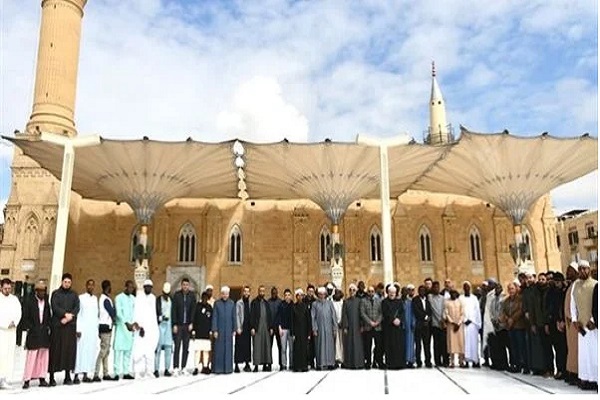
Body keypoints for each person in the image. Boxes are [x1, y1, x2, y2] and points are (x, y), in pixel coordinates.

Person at [571, 260, 598, 391]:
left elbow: (597, 304)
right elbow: (572, 304)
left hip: (593, 326)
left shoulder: (595, 284)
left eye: (585, 269)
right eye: (580, 269)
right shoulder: (575, 285)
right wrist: (574, 320)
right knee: (585, 355)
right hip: (581, 325)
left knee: (595, 353)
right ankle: (587, 380)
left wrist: (593, 320)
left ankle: (597, 379)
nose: (582, 271)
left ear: (589, 270)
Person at [49, 273, 80, 386]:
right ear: (62, 282)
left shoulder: (74, 294)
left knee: (68, 351)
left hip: (69, 327)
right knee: (55, 351)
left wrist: (68, 317)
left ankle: (67, 376)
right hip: (58, 326)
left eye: (69, 282)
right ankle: (52, 377)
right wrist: (64, 314)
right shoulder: (56, 294)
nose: (67, 284)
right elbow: (54, 306)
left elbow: (77, 307)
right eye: (65, 282)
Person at [21, 280, 51, 389]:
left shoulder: (46, 302)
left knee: (43, 357)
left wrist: (47, 326)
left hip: (44, 333)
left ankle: (42, 378)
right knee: (31, 357)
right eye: (40, 291)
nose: (42, 293)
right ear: (36, 291)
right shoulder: (30, 301)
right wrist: (31, 327)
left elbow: (48, 316)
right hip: (34, 333)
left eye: (44, 291)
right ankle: (27, 380)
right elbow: (25, 317)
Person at [74, 279, 99, 384]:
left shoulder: (95, 299)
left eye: (92, 285)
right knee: (80, 351)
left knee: (89, 352)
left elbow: (96, 315)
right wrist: (78, 329)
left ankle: (85, 374)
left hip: (92, 330)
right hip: (83, 329)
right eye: (89, 285)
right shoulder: (81, 298)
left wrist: (96, 329)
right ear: (86, 285)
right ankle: (76, 375)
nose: (91, 287)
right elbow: (78, 314)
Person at [133, 279, 159, 378]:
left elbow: (153, 313)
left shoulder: (153, 298)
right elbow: (137, 312)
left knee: (150, 350)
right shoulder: (139, 297)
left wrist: (154, 328)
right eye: (147, 287)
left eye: (150, 287)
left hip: (151, 328)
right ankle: (137, 372)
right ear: (144, 287)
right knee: (139, 350)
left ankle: (149, 371)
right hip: (140, 329)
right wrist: (139, 326)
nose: (148, 288)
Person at [0, 278, 22, 389]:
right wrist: (5, 323)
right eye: (5, 288)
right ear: (1, 287)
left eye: (9, 288)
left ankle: (5, 378)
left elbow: (19, 312)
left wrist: (14, 322)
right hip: (2, 331)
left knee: (9, 355)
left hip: (11, 331)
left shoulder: (14, 299)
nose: (7, 290)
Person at [172, 278, 196, 374]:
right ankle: (176, 367)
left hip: (187, 325)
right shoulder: (177, 295)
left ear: (189, 286)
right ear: (181, 285)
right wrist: (174, 324)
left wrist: (192, 323)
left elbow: (193, 310)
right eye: (184, 285)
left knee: (186, 347)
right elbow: (174, 310)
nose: (185, 286)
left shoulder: (192, 296)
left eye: (187, 285)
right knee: (177, 347)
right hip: (179, 325)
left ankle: (184, 367)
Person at [501, 282, 526, 373]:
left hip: (518, 325)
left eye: (512, 289)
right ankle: (516, 364)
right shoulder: (506, 300)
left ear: (516, 289)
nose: (511, 291)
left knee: (521, 346)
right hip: (510, 327)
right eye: (509, 289)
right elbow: (503, 311)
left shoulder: (520, 299)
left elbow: (521, 310)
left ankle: (524, 364)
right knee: (513, 347)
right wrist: (507, 319)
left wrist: (512, 319)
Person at [113, 280, 136, 380]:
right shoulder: (119, 297)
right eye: (129, 287)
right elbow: (118, 313)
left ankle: (126, 372)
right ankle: (116, 372)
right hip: (121, 327)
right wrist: (126, 323)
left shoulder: (133, 299)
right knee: (118, 350)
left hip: (130, 328)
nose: (131, 289)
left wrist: (134, 324)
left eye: (132, 288)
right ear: (125, 287)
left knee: (128, 351)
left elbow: (135, 312)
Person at [94, 280, 116, 382]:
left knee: (106, 351)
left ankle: (105, 373)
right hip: (105, 326)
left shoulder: (104, 298)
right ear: (107, 287)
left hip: (106, 326)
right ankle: (96, 373)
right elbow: (112, 312)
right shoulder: (105, 299)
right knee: (103, 351)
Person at [547, 272, 567, 380]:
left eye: (559, 282)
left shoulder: (565, 291)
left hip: (564, 323)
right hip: (554, 323)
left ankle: (566, 370)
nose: (557, 284)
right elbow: (551, 308)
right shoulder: (552, 292)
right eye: (556, 282)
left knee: (564, 348)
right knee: (558, 348)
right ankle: (560, 369)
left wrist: (562, 320)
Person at [311, 287, 337, 370]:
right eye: (320, 294)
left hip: (329, 328)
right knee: (320, 346)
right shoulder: (314, 304)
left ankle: (330, 363)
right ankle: (320, 364)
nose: (322, 296)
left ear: (325, 295)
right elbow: (313, 317)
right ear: (318, 295)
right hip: (320, 329)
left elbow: (333, 316)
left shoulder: (330, 303)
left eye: (323, 294)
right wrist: (314, 329)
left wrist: (334, 328)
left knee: (330, 346)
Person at [212, 286, 236, 374]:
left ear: (228, 294)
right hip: (219, 330)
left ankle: (228, 369)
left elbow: (234, 317)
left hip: (229, 330)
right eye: (223, 294)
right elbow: (214, 317)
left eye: (226, 294)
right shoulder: (217, 303)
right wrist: (215, 330)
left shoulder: (232, 303)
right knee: (219, 349)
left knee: (228, 349)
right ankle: (218, 369)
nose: (225, 295)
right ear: (221, 294)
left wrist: (234, 329)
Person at [381, 284, 405, 370]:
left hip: (398, 328)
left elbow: (402, 312)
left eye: (393, 292)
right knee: (389, 346)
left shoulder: (399, 302)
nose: (392, 294)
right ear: (388, 292)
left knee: (398, 345)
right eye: (390, 292)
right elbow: (385, 313)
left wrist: (399, 319)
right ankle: (391, 364)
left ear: (396, 293)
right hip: (389, 327)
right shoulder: (384, 302)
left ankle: (399, 363)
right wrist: (393, 320)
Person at [250, 285, 273, 372]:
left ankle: (265, 364)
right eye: (260, 291)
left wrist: (270, 327)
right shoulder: (254, 302)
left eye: (263, 291)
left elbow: (269, 316)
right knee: (257, 346)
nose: (262, 293)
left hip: (266, 327)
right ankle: (256, 365)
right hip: (257, 327)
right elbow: (252, 315)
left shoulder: (266, 303)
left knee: (266, 346)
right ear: (258, 291)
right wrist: (252, 327)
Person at [341, 283, 364, 369]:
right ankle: (349, 363)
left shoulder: (359, 301)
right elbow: (344, 315)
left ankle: (359, 363)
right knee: (349, 345)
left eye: (354, 290)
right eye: (350, 290)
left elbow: (361, 314)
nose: (352, 292)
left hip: (357, 327)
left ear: (356, 291)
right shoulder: (345, 302)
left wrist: (362, 325)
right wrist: (345, 326)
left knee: (358, 345)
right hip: (349, 327)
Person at [564, 262, 579, 385]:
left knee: (578, 350)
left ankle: (578, 373)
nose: (568, 273)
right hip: (570, 324)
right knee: (572, 349)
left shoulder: (579, 285)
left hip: (577, 323)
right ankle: (572, 372)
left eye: (570, 270)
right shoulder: (571, 286)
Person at [360, 285, 383, 369]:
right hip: (368, 326)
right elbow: (362, 313)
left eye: (372, 291)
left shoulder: (379, 301)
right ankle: (368, 362)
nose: (371, 293)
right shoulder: (363, 301)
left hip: (378, 326)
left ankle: (378, 361)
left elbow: (381, 313)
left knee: (378, 346)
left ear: (374, 292)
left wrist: (377, 322)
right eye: (369, 291)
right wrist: (370, 322)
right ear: (367, 292)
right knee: (368, 346)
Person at [460, 281, 481, 368]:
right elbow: (459, 310)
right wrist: (464, 319)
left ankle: (475, 360)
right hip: (464, 324)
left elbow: (477, 311)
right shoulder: (460, 298)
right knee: (465, 343)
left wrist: (472, 320)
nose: (466, 288)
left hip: (473, 324)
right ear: (463, 288)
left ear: (470, 288)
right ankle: (466, 361)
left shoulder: (474, 298)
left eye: (468, 287)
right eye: (465, 287)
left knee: (474, 343)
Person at [488, 283, 509, 371]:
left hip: (502, 325)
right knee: (497, 346)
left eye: (499, 288)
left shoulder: (504, 298)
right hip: (495, 326)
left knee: (503, 346)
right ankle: (498, 363)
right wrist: (493, 320)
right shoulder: (493, 300)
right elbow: (491, 311)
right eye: (496, 288)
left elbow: (504, 311)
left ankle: (505, 363)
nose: (497, 290)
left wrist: (500, 320)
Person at [191, 291, 213, 375]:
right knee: (197, 351)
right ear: (201, 298)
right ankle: (196, 367)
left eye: (206, 298)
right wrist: (193, 330)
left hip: (206, 333)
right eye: (203, 298)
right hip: (198, 332)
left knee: (206, 351)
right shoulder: (197, 306)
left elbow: (211, 320)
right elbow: (194, 318)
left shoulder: (209, 307)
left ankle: (205, 366)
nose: (204, 299)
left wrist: (211, 331)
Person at [155, 282, 173, 377]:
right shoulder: (158, 300)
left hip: (169, 326)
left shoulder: (171, 300)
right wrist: (161, 317)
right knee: (158, 348)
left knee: (168, 348)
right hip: (160, 326)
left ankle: (167, 369)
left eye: (167, 294)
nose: (166, 295)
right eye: (165, 294)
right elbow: (155, 313)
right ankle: (156, 369)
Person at [291, 289, 311, 372]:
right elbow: (292, 321)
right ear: (296, 297)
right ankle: (296, 366)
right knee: (296, 349)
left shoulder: (305, 306)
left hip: (304, 331)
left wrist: (309, 333)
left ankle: (304, 366)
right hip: (296, 332)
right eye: (298, 295)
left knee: (304, 349)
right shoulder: (293, 307)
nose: (299, 297)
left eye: (301, 295)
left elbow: (308, 320)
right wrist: (293, 333)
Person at [413, 284, 433, 368]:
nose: (422, 292)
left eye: (423, 291)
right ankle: (418, 361)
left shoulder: (427, 300)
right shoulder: (415, 300)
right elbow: (416, 311)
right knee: (418, 344)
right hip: (419, 325)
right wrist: (425, 317)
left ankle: (428, 361)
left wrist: (428, 319)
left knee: (427, 344)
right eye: (420, 290)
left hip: (426, 326)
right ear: (418, 291)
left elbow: (430, 311)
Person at [429, 281, 448, 367]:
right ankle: (437, 361)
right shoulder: (430, 297)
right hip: (435, 324)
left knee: (444, 344)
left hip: (443, 324)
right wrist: (439, 320)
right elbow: (433, 309)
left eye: (438, 287)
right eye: (435, 287)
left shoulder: (442, 298)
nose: (436, 289)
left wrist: (443, 319)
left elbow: (444, 309)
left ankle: (445, 361)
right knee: (436, 344)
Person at [445, 290, 465, 368]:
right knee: (451, 344)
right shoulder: (447, 302)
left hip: (459, 326)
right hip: (451, 326)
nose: (453, 295)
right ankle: (452, 362)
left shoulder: (460, 302)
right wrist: (452, 322)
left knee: (460, 343)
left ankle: (461, 361)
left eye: (454, 294)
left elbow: (462, 314)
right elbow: (446, 313)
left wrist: (458, 323)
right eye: (452, 294)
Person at [235, 286, 252, 373]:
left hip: (248, 327)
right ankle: (236, 365)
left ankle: (247, 364)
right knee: (239, 346)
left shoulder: (250, 302)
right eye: (245, 291)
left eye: (248, 291)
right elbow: (237, 315)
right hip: (241, 327)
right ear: (242, 293)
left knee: (247, 346)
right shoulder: (239, 303)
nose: (246, 293)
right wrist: (238, 327)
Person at [278, 289, 294, 370]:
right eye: (286, 295)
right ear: (284, 296)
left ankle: (291, 364)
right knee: (283, 348)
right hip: (283, 329)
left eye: (288, 295)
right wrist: (279, 328)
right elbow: (278, 317)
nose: (287, 297)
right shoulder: (281, 305)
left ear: (291, 296)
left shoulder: (293, 305)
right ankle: (283, 364)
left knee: (291, 349)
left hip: (291, 329)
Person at [268, 287, 282, 369]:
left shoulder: (280, 302)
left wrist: (280, 326)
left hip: (278, 327)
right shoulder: (268, 302)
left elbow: (281, 315)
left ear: (277, 293)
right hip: (270, 328)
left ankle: (281, 363)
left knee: (280, 346)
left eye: (275, 292)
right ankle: (269, 364)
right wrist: (270, 327)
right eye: (273, 293)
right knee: (269, 346)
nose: (274, 294)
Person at [402, 285, 416, 368]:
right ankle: (403, 360)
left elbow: (413, 313)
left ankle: (410, 360)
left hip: (410, 325)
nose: (404, 293)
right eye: (403, 291)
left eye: (406, 291)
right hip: (401, 326)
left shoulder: (410, 302)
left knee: (410, 343)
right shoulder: (399, 302)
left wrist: (413, 323)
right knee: (402, 344)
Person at [332, 289, 344, 367]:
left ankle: (342, 359)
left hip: (342, 325)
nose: (337, 295)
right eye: (336, 293)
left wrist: (341, 322)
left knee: (342, 342)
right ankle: (336, 358)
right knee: (335, 343)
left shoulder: (343, 303)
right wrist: (335, 323)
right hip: (334, 325)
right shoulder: (331, 303)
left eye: (338, 293)